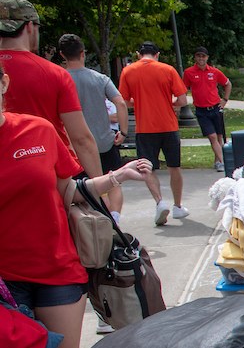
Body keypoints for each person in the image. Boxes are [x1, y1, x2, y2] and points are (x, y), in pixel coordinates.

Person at [0, 61, 153, 348]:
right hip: (4, 281)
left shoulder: (38, 130)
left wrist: (116, 176)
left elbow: (68, 190)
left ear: (4, 84)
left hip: (57, 270)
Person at [0, 0, 103, 179]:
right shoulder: (54, 73)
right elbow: (81, 140)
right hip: (49, 175)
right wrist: (100, 191)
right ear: (30, 27)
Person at [118, 41, 190, 226]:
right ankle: (178, 206)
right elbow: (182, 99)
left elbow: (124, 101)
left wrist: (139, 102)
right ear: (157, 54)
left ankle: (159, 202)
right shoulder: (167, 69)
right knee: (174, 166)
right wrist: (168, 102)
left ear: (138, 54)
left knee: (147, 167)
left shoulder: (128, 71)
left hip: (145, 128)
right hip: (169, 125)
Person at [59, 34, 129, 219]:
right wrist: (123, 131)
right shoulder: (100, 78)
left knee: (82, 188)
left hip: (74, 146)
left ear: (62, 55)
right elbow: (120, 103)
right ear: (83, 53)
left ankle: (95, 222)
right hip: (104, 141)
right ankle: (114, 216)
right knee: (113, 183)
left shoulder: (59, 79)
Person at [182, 46, 231, 172]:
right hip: (201, 110)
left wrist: (224, 99)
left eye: (203, 56)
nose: (201, 58)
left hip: (215, 107)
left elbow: (227, 84)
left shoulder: (214, 72)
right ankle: (223, 162)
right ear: (195, 58)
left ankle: (217, 161)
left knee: (219, 137)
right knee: (212, 137)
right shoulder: (189, 72)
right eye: (198, 56)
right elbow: (183, 88)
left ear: (207, 58)